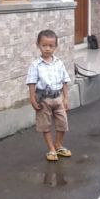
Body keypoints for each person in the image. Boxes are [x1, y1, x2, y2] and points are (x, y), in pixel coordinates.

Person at [26, 29, 72, 162]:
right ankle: (51, 149)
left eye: (51, 46)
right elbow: (31, 83)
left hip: (58, 98)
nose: (47, 49)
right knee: (45, 125)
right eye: (44, 45)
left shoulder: (59, 63)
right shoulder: (35, 65)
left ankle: (58, 144)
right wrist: (32, 99)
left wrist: (65, 98)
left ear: (55, 47)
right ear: (38, 45)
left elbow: (64, 81)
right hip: (43, 100)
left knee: (63, 123)